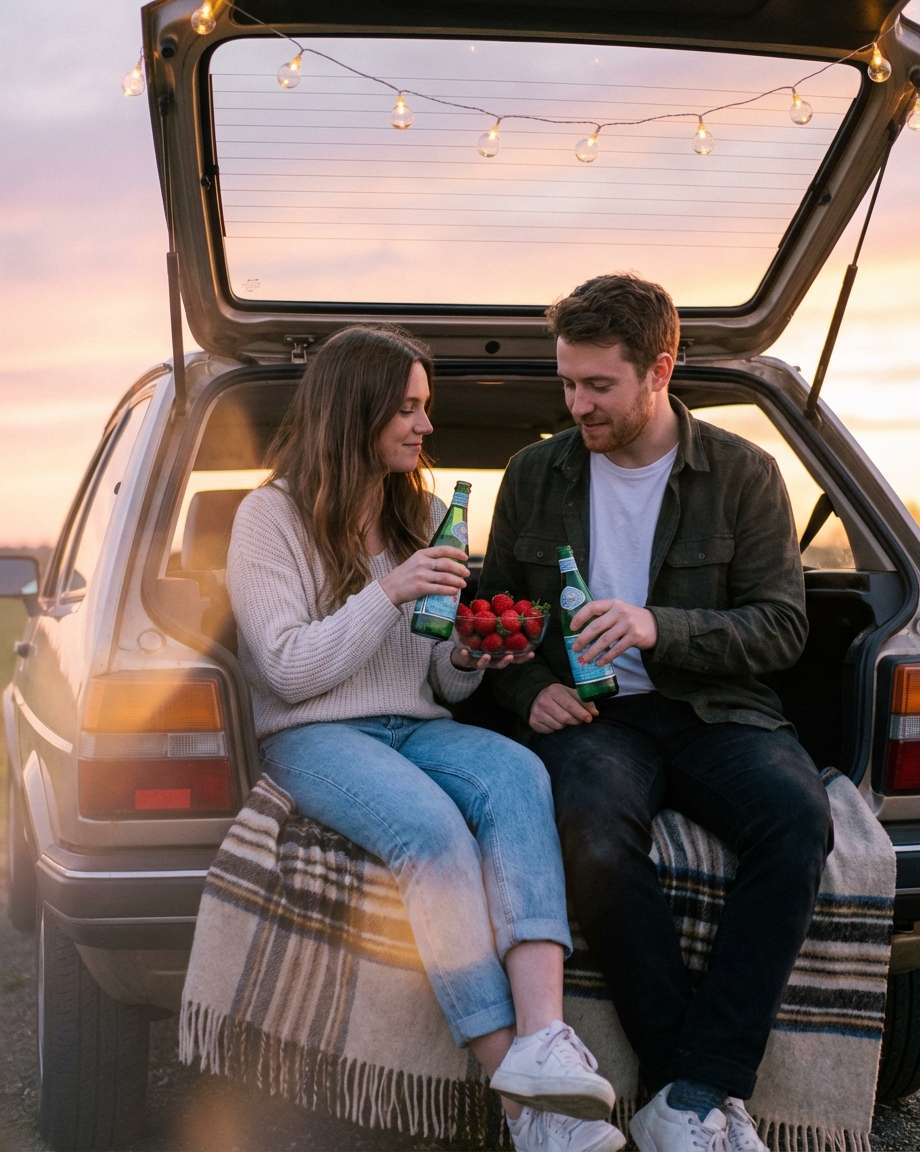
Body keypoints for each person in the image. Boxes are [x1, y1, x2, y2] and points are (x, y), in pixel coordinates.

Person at [225, 324, 625, 1152]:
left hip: (417, 724)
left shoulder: (421, 515)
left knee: (518, 773)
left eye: (424, 408)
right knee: (433, 830)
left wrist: (472, 654)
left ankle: (546, 1042)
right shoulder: (267, 519)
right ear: (355, 410)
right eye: (408, 408)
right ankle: (527, 1112)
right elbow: (288, 669)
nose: (424, 426)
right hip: (313, 734)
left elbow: (440, 682)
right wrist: (390, 592)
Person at [479, 275, 833, 1152]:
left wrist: (653, 626)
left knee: (798, 822)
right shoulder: (535, 474)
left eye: (598, 386)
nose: (577, 404)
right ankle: (694, 1098)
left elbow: (783, 627)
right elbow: (495, 623)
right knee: (592, 841)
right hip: (596, 725)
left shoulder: (744, 474)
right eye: (567, 382)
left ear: (659, 370)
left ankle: (690, 1090)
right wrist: (531, 691)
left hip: (718, 710)